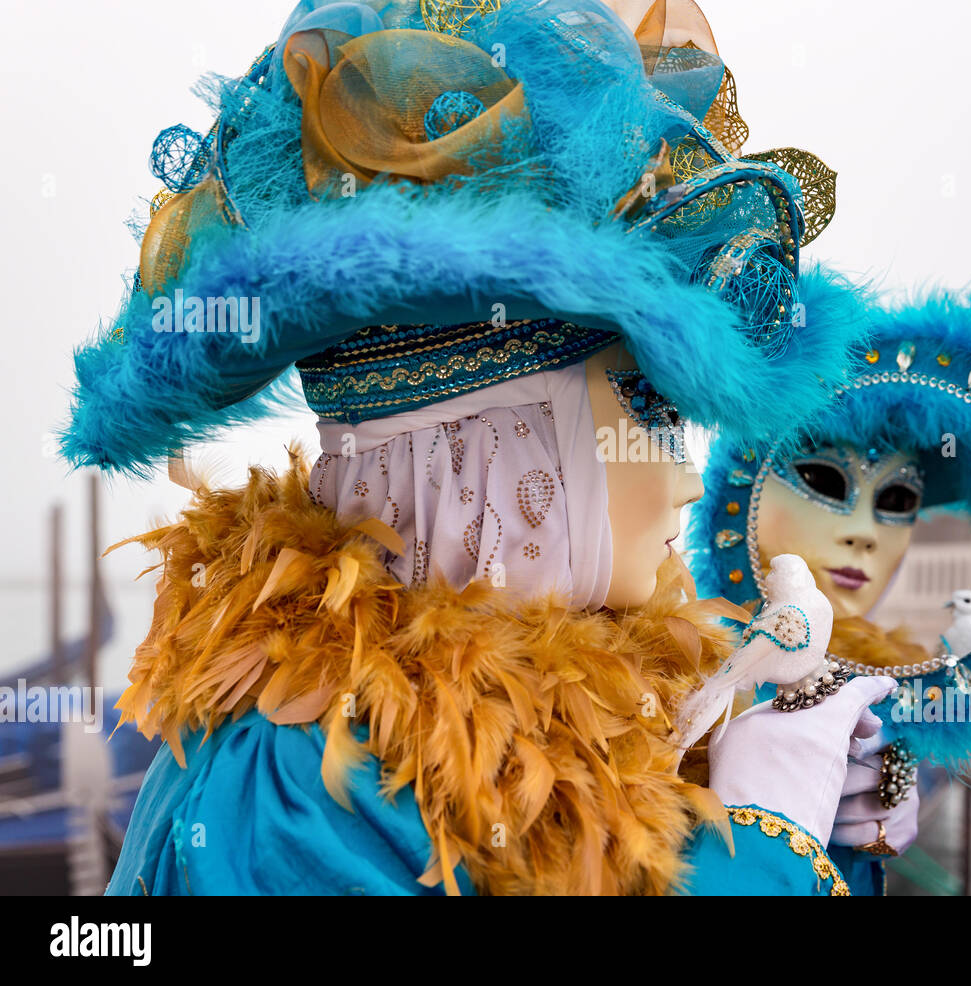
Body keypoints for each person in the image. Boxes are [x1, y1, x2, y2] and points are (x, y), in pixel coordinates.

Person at [61, 0, 899, 895]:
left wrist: (817, 830)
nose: (687, 482)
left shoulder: (621, 708)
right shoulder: (304, 784)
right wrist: (771, 851)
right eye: (644, 406)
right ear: (486, 448)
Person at [689, 289, 971, 883]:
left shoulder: (894, 687)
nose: (867, 535)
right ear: (747, 484)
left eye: (898, 501)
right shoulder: (675, 673)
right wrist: (752, 818)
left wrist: (887, 787)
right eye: (824, 480)